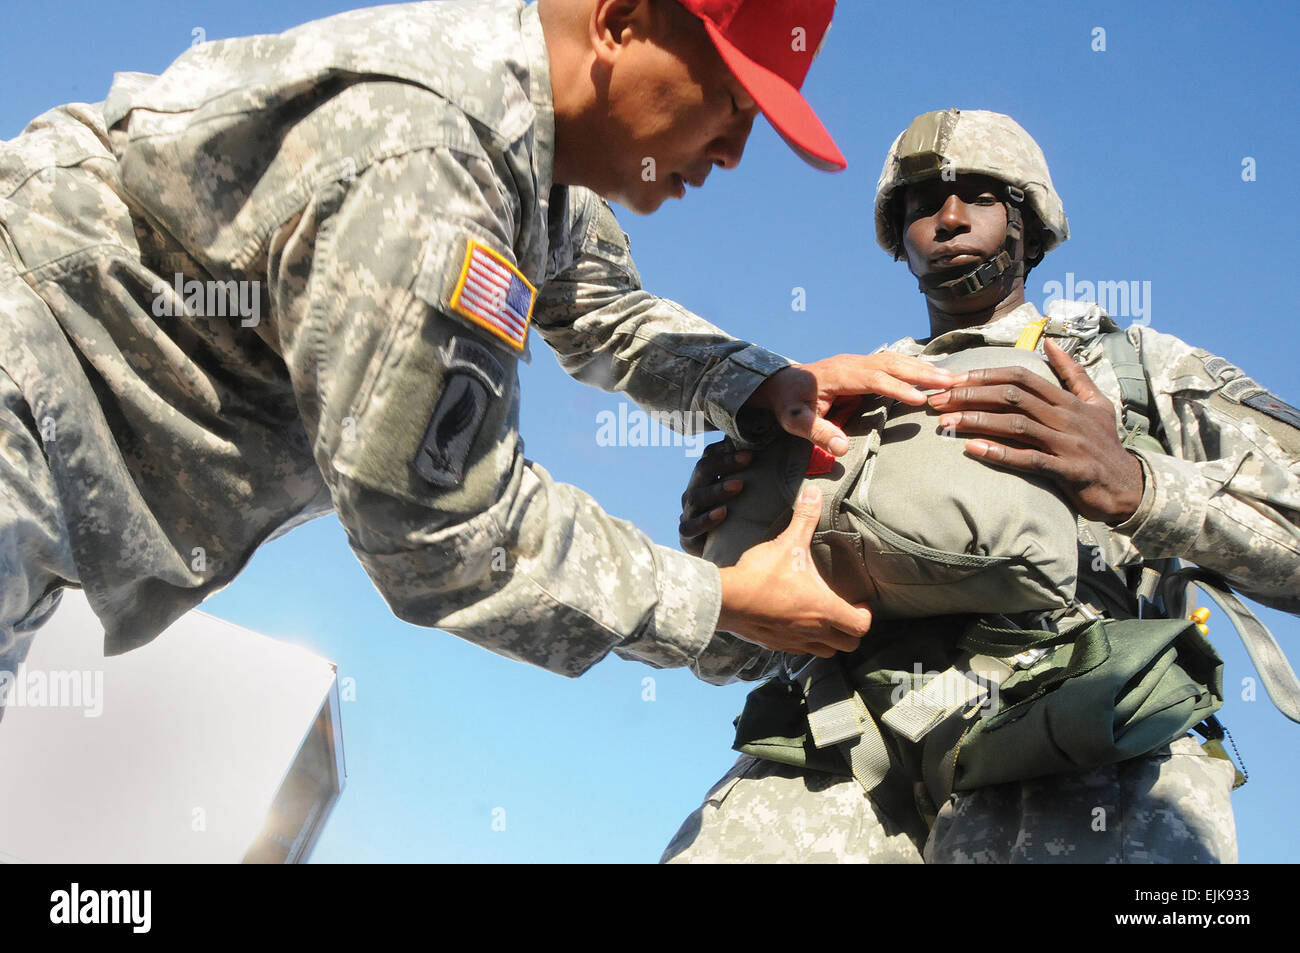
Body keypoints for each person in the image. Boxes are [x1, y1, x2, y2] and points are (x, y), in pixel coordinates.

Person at [0, 0, 958, 708]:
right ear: (621, 22)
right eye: (732, 101)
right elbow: (437, 530)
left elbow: (600, 308)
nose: (737, 151)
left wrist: (765, 385)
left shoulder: (526, 155)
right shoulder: (433, 163)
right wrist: (717, 601)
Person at [662, 108, 1300, 863]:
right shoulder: (844, 397)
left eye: (980, 196)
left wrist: (1139, 486)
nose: (950, 218)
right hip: (848, 752)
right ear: (899, 238)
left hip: (1076, 749)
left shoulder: (1134, 369)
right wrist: (717, 555)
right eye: (923, 204)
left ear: (1029, 220)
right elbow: (734, 657)